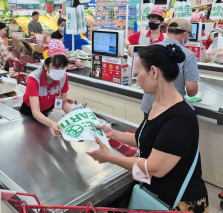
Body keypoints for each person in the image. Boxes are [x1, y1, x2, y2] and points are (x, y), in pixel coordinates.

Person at [87, 44, 208, 213]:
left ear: (153, 72)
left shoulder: (180, 118)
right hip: (157, 194)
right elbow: (145, 137)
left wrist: (109, 158)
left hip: (180, 202)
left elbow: (155, 167)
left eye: (137, 72)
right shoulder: (157, 105)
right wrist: (113, 134)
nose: (136, 78)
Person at [141, 18, 200, 117]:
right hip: (172, 109)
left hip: (149, 106)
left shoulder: (151, 48)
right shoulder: (188, 55)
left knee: (149, 132)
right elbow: (191, 89)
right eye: (189, 36)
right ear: (185, 34)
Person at [20, 39, 72, 135]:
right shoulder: (34, 79)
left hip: (46, 111)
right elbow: (35, 111)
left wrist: (75, 115)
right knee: (30, 138)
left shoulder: (64, 77)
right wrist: (52, 123)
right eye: (56, 67)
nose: (60, 71)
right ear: (46, 66)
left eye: (63, 67)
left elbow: (64, 102)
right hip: (29, 112)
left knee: (45, 137)